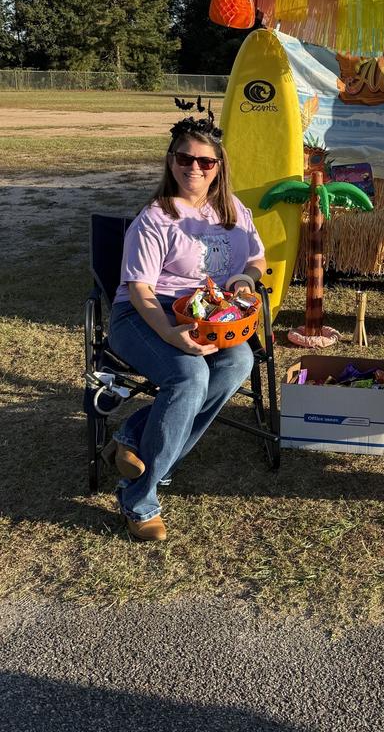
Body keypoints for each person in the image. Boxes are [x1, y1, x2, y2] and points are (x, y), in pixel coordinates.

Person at [104, 108, 266, 542]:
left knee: (238, 364)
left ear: (219, 167)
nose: (193, 168)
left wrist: (245, 280)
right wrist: (168, 332)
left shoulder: (232, 209)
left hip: (211, 313)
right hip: (144, 314)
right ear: (170, 161)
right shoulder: (155, 218)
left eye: (205, 161)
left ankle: (132, 437)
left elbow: (256, 259)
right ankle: (140, 498)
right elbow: (139, 291)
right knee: (189, 376)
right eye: (184, 159)